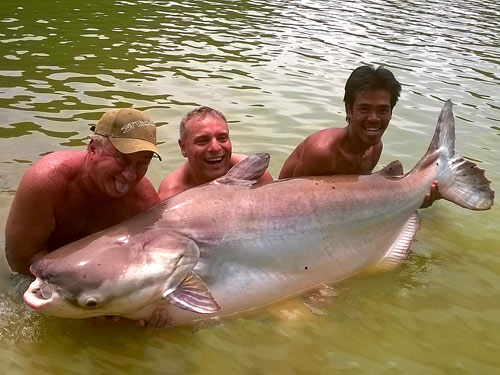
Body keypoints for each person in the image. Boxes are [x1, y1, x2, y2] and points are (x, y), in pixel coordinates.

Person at [5, 108, 161, 276]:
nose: (130, 175)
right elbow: (21, 257)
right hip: (41, 279)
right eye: (122, 158)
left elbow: (150, 262)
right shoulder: (47, 182)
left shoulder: (145, 204)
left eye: (142, 163)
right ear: (93, 148)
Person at [279, 65, 439, 206]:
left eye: (383, 110)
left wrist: (413, 202)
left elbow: (355, 198)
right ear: (349, 110)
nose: (374, 118)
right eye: (364, 109)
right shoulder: (322, 152)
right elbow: (289, 204)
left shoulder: (374, 148)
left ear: (391, 113)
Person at [158, 106, 273, 200]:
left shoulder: (256, 174)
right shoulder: (172, 195)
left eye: (222, 138)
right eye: (203, 140)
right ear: (183, 147)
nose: (215, 147)